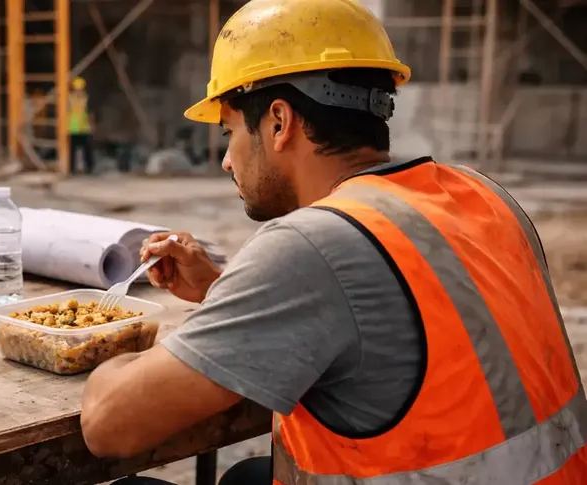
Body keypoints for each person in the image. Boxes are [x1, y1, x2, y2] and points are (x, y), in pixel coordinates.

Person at [80, 0, 587, 483]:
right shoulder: (485, 194)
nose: (227, 161)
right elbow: (397, 331)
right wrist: (224, 292)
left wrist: (108, 344)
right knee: (246, 475)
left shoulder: (313, 244)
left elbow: (107, 425)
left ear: (279, 122)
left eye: (229, 132)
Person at [69, 76, 95, 175]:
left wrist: (92, 125)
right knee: (71, 151)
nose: (78, 91)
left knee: (87, 150)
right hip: (72, 128)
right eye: (76, 89)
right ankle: (71, 169)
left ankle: (90, 168)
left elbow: (91, 113)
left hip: (84, 128)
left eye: (80, 89)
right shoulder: (68, 98)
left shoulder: (86, 99)